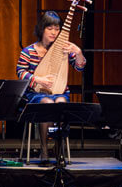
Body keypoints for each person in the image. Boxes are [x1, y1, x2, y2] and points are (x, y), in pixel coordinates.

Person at [16, 11, 86, 165]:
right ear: (42, 29)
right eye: (50, 28)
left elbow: (80, 67)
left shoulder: (63, 50)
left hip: (59, 92)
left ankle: (58, 149)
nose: (54, 32)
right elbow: (20, 72)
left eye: (57, 29)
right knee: (47, 103)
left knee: (61, 102)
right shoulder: (28, 51)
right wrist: (38, 78)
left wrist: (78, 52)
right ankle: (44, 149)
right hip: (35, 95)